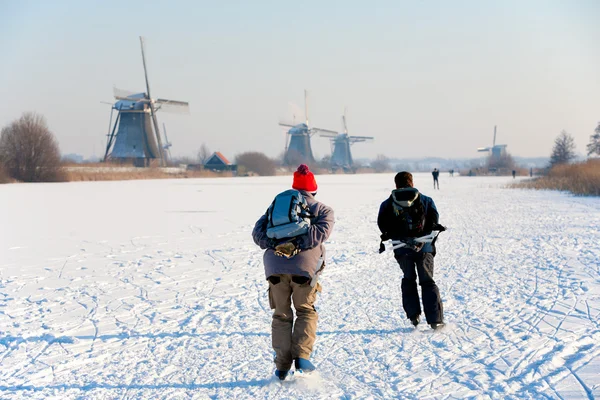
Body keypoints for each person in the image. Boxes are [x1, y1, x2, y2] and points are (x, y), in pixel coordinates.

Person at [252, 164, 335, 380]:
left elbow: (258, 234)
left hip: (275, 267)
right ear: (313, 188)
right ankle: (302, 358)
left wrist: (277, 245)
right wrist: (297, 247)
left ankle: (281, 367)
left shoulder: (275, 207)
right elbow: (319, 235)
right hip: (304, 268)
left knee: (281, 315)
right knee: (305, 310)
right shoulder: (323, 210)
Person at [378, 171, 445, 330]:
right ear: (412, 183)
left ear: (396, 184)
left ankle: (414, 316)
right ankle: (435, 320)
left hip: (401, 249)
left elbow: (382, 225)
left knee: (408, 279)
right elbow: (434, 220)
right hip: (424, 247)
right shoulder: (426, 200)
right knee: (427, 281)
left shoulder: (388, 203)